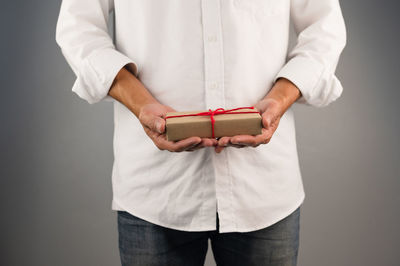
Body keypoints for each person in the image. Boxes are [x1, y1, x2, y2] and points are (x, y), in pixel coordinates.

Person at [56, 0, 346, 265]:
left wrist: (282, 97)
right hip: (155, 187)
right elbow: (78, 28)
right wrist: (140, 102)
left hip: (262, 188)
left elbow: (325, 28)